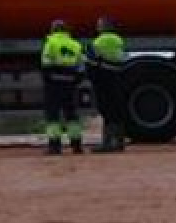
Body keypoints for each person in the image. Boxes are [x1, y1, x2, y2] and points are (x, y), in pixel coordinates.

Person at [37, 18, 87, 156]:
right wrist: (74, 79)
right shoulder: (75, 44)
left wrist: (49, 78)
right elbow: (81, 67)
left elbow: (45, 64)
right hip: (70, 85)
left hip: (54, 85)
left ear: (53, 30)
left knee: (53, 115)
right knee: (71, 114)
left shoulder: (50, 43)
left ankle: (54, 146)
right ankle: (77, 145)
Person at [87, 17, 130, 151]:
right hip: (117, 78)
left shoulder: (98, 42)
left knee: (107, 111)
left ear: (104, 27)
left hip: (103, 79)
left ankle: (108, 143)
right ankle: (119, 142)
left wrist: (92, 78)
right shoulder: (118, 40)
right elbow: (123, 58)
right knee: (117, 110)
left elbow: (91, 63)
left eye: (99, 25)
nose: (97, 27)